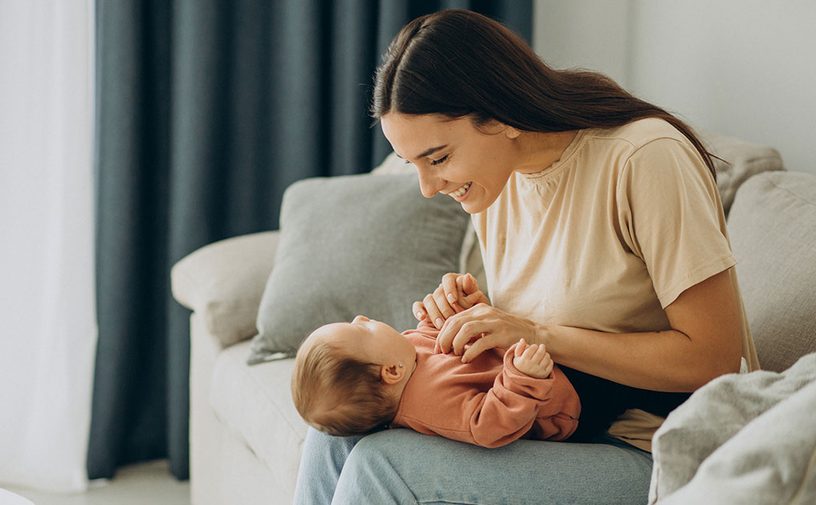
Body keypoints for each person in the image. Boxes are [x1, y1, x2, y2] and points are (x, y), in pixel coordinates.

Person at [294, 8, 759, 505]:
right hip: (557, 430)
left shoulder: (644, 158)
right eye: (415, 166)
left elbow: (714, 359)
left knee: (380, 466)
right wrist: (477, 317)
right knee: (333, 433)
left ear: (499, 116)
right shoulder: (499, 182)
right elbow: (559, 321)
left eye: (438, 159)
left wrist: (535, 335)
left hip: (658, 451)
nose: (428, 188)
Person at [291, 274, 582, 448]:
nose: (362, 317)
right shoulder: (431, 404)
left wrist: (454, 307)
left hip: (531, 356)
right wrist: (522, 379)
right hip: (560, 401)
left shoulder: (406, 354)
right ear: (391, 371)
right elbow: (488, 424)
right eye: (361, 328)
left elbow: (438, 339)